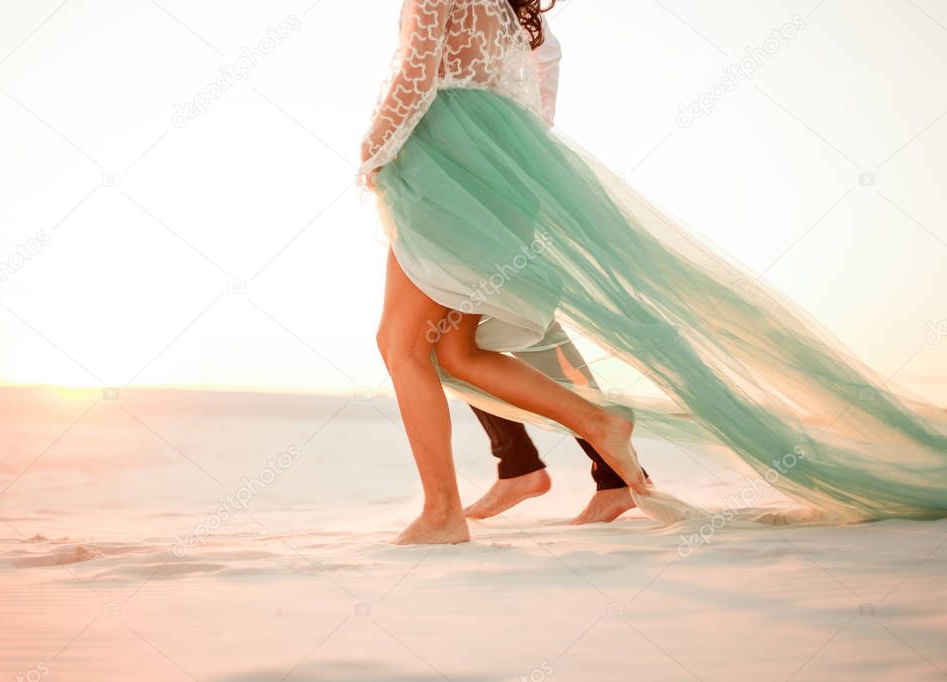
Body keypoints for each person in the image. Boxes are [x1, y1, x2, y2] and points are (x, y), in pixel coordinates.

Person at [361, 0, 947, 545]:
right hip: (502, 178)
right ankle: (597, 422)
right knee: (456, 352)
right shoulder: (511, 16)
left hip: (449, 175)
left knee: (402, 344)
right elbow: (533, 107)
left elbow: (417, 75)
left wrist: (373, 151)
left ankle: (443, 513)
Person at [464, 19, 647, 525]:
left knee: (461, 338)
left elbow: (515, 118)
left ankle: (527, 467)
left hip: (484, 192)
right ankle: (601, 476)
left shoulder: (505, 30)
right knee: (503, 334)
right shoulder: (527, 31)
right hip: (498, 191)